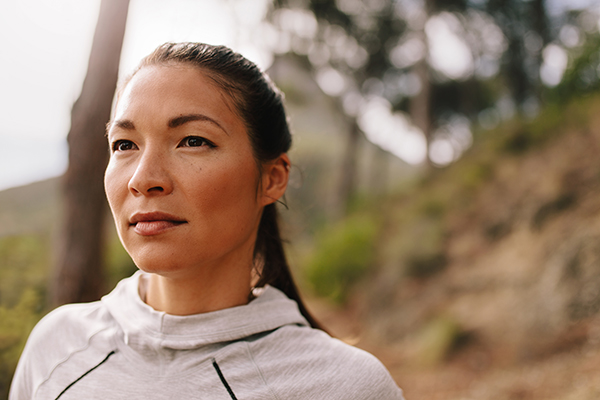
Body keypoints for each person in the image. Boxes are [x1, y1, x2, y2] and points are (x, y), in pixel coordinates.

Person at [9, 42, 404, 400]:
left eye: (193, 141)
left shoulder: (344, 387)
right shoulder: (56, 348)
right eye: (124, 144)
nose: (143, 179)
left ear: (271, 178)